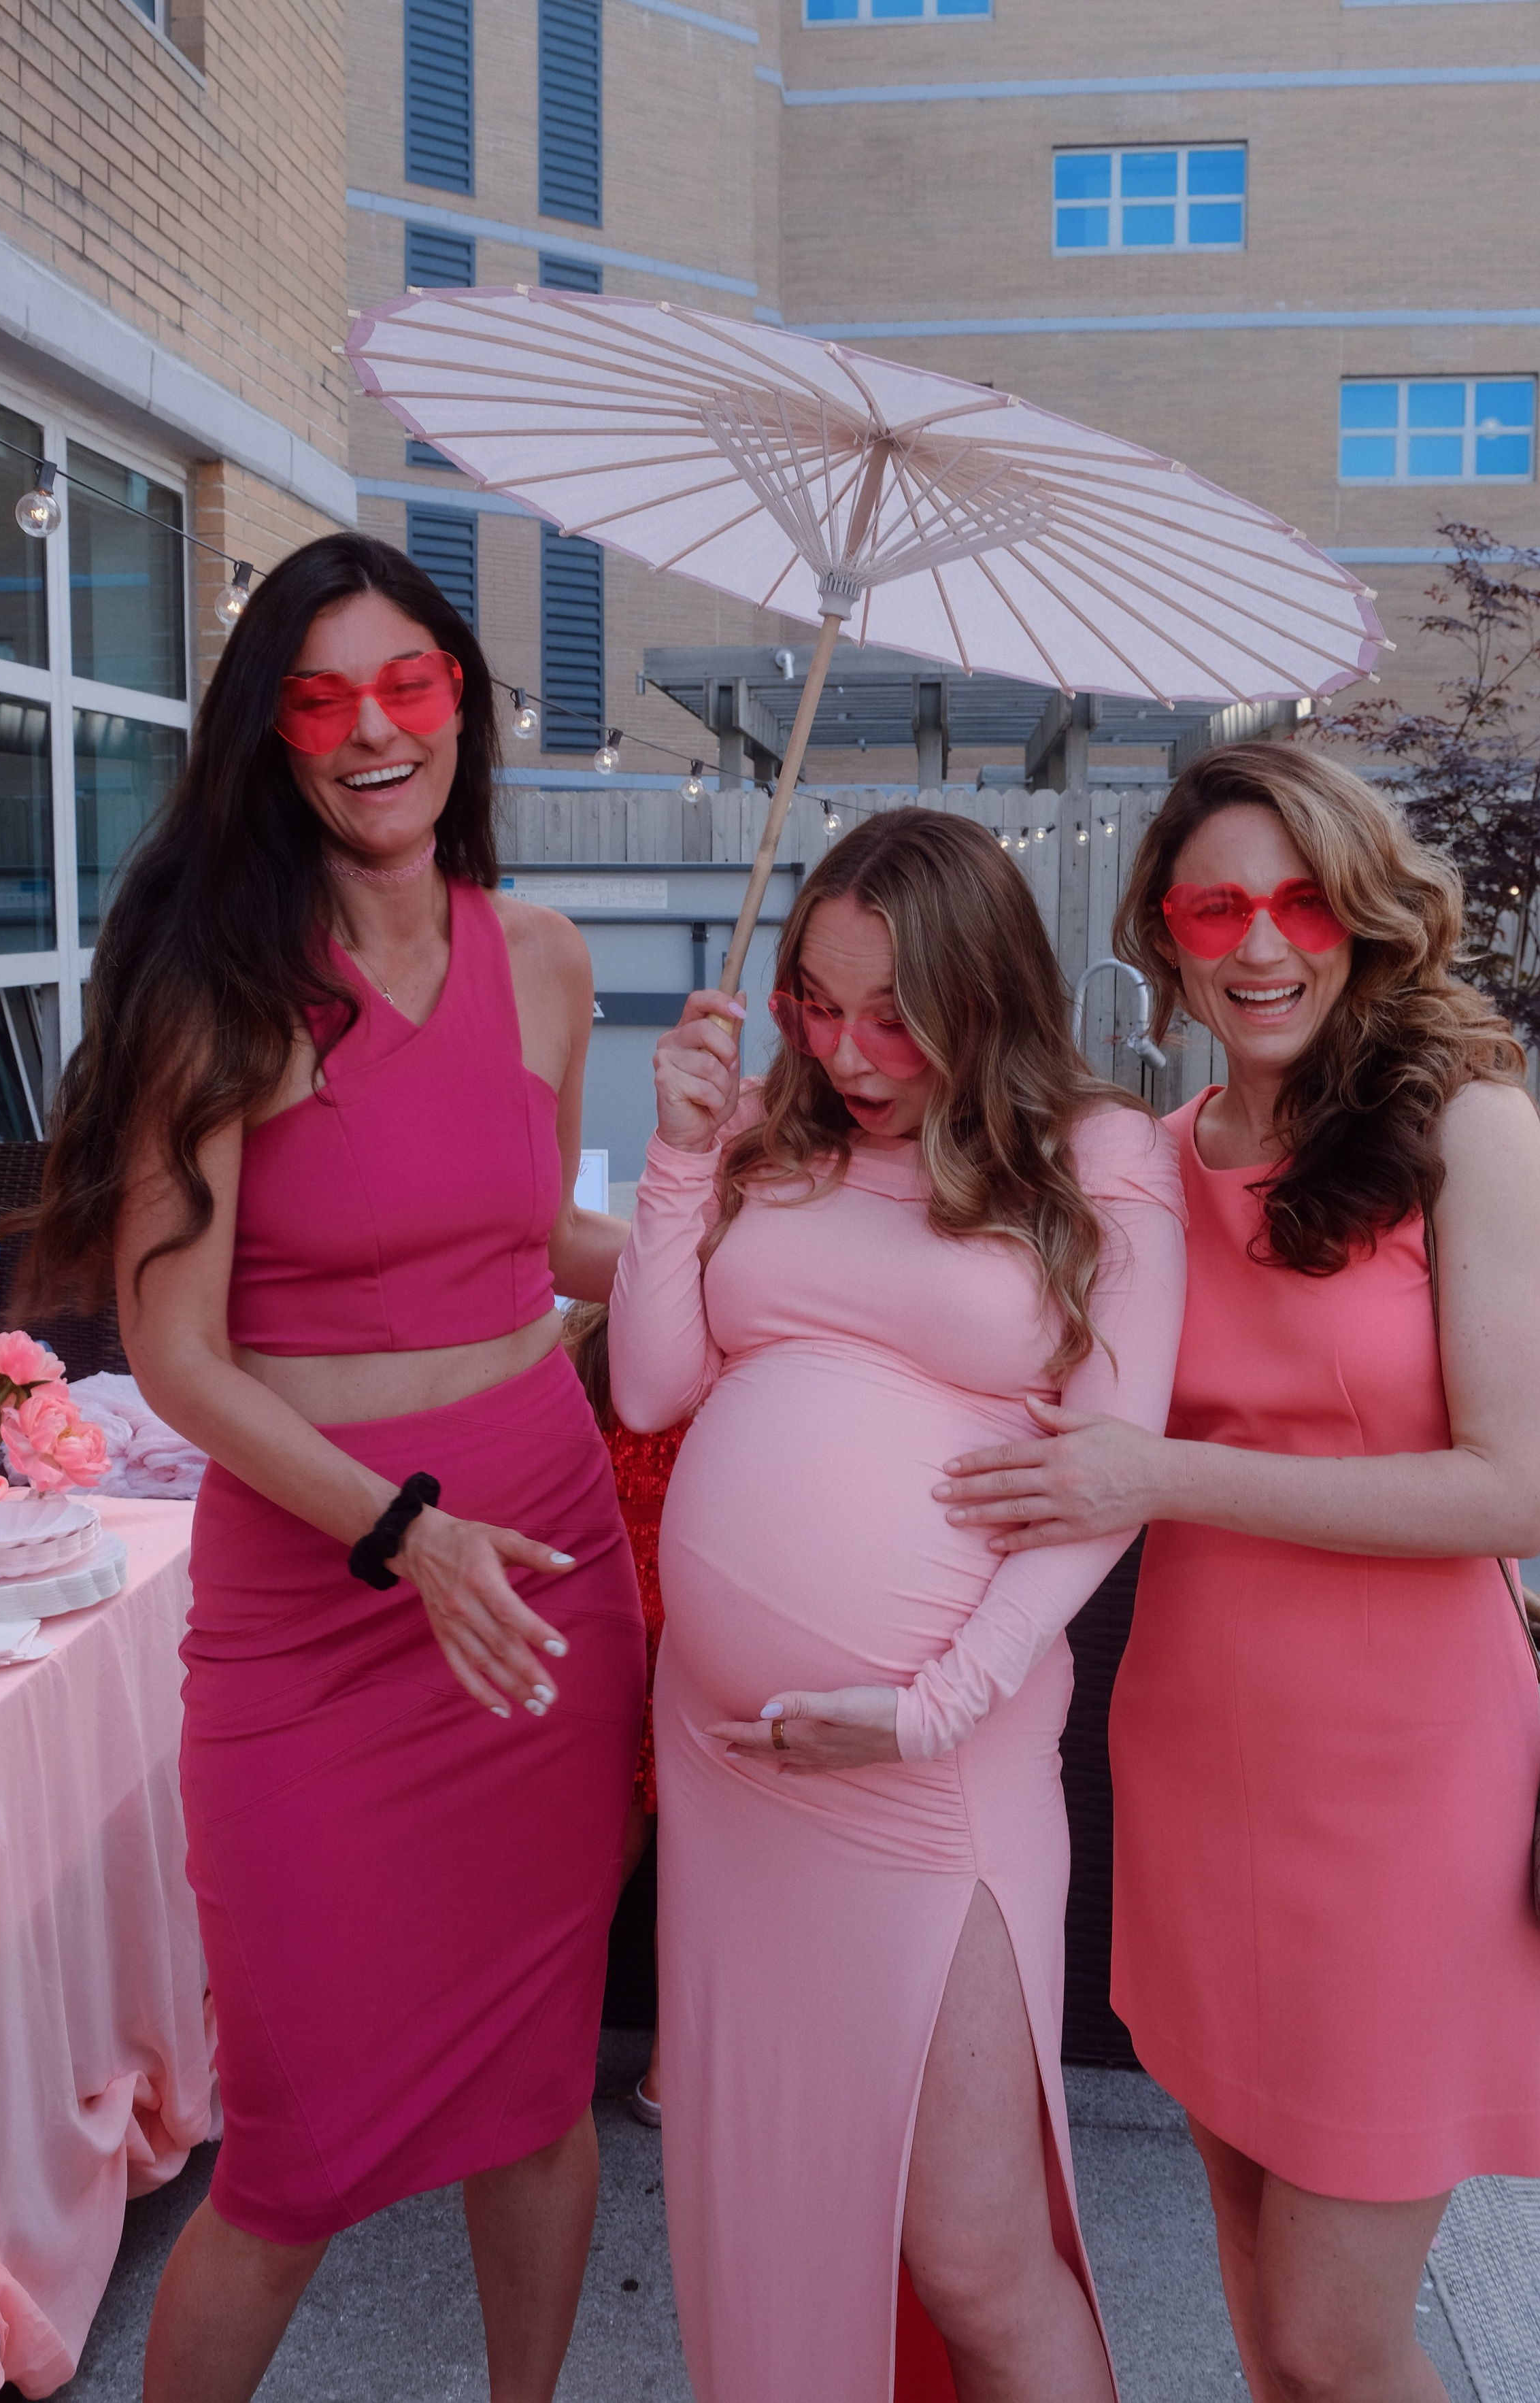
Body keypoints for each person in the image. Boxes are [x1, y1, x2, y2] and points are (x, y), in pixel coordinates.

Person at [24, 534, 644, 2403]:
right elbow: (176, 1353)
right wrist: (397, 1529)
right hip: (322, 1602)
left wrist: (750, 1220)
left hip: (539, 1573)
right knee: (287, 2156)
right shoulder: (219, 987)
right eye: (323, 698)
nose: (375, 731)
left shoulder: (542, 958)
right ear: (269, 737)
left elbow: (535, 1236)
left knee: (540, 2091)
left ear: (465, 698)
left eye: (411, 687)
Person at [936, 745, 1540, 2403]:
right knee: (1255, 2314)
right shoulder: (1143, 1160)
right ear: (1164, 934)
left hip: (1402, 1790)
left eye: (1299, 899)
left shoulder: (1467, 1128)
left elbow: (1514, 1488)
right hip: (1196, 1769)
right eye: (1216, 904)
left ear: (1362, 920)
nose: (1259, 940)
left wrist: (1164, 1473)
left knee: (1328, 2336)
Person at [605, 808, 1188, 2403]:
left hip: (938, 1765)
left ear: (982, 991)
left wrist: (938, 1699)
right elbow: (653, 1378)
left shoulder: (1098, 1156)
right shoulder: (771, 1138)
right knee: (775, 2201)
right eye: (815, 997)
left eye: (891, 1014)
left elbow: (1108, 1472)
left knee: (975, 2250)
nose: (847, 1049)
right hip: (736, 1770)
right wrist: (677, 1149)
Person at [562, 1298, 688, 2123]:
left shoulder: (582, 1341)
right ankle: (672, 2068)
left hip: (599, 1626)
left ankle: (543, 2054)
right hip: (694, 1628)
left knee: (599, 1857)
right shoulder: (737, 1342)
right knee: (699, 1863)